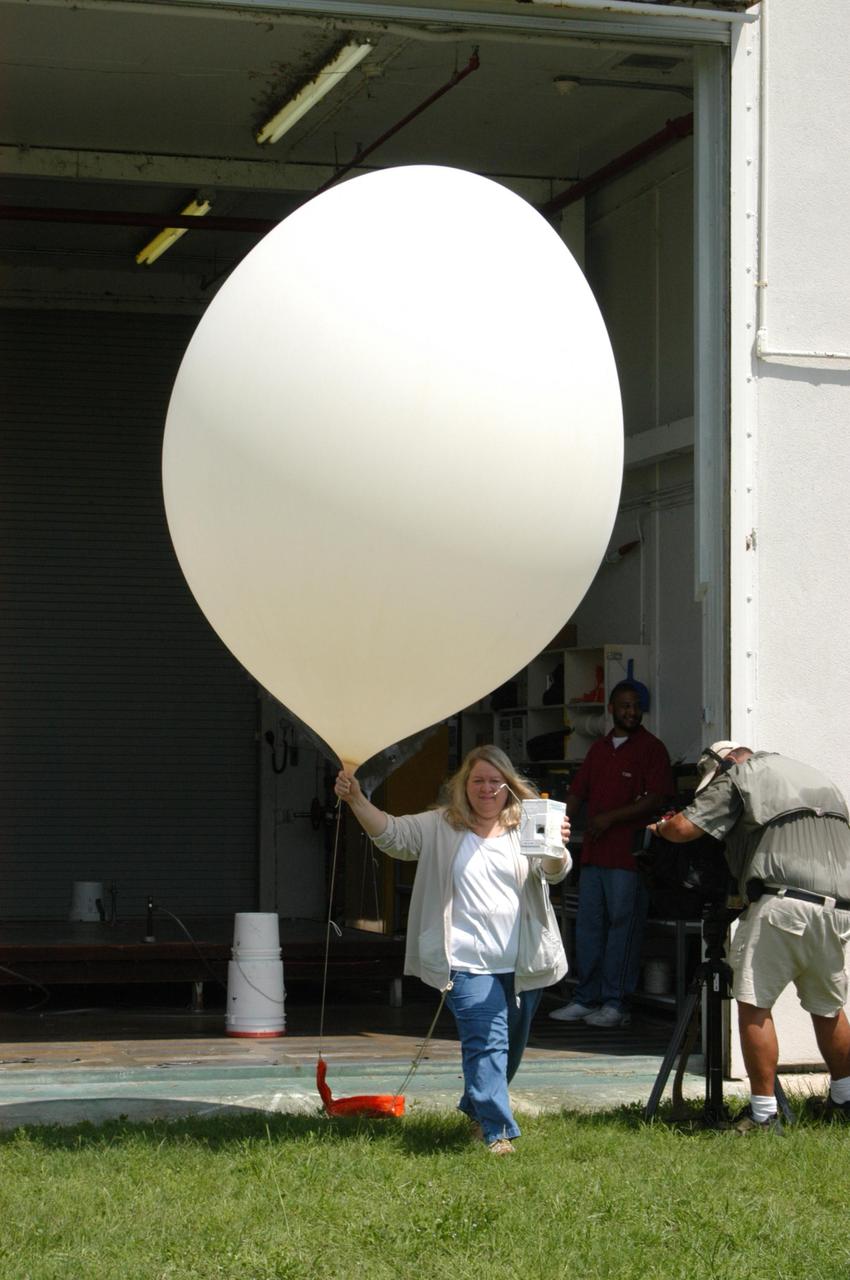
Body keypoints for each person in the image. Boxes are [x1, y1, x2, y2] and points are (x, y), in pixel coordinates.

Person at [335, 744, 570, 1155]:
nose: (486, 788)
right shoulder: (440, 825)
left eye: (495, 781)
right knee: (486, 1042)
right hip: (464, 962)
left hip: (522, 962)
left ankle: (477, 1107)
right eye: (477, 780)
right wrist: (356, 798)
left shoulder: (528, 823)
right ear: (464, 785)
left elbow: (555, 873)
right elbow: (391, 835)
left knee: (510, 1047)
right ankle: (497, 1132)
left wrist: (554, 848)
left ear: (509, 786)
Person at [648, 741, 850, 1133]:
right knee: (828, 1008)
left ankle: (763, 1114)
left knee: (754, 1003)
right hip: (838, 910)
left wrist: (660, 828)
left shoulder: (742, 775)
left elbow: (684, 828)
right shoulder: (818, 778)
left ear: (725, 764)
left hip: (782, 903)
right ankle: (845, 1101)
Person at [550, 680, 673, 1028]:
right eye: (624, 705)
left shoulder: (652, 748)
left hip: (629, 858)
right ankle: (585, 998)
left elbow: (656, 799)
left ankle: (615, 1004)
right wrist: (553, 827)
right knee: (588, 927)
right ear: (611, 708)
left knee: (623, 928)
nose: (631, 711)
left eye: (636, 705)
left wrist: (610, 817)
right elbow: (577, 793)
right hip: (593, 855)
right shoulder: (599, 749)